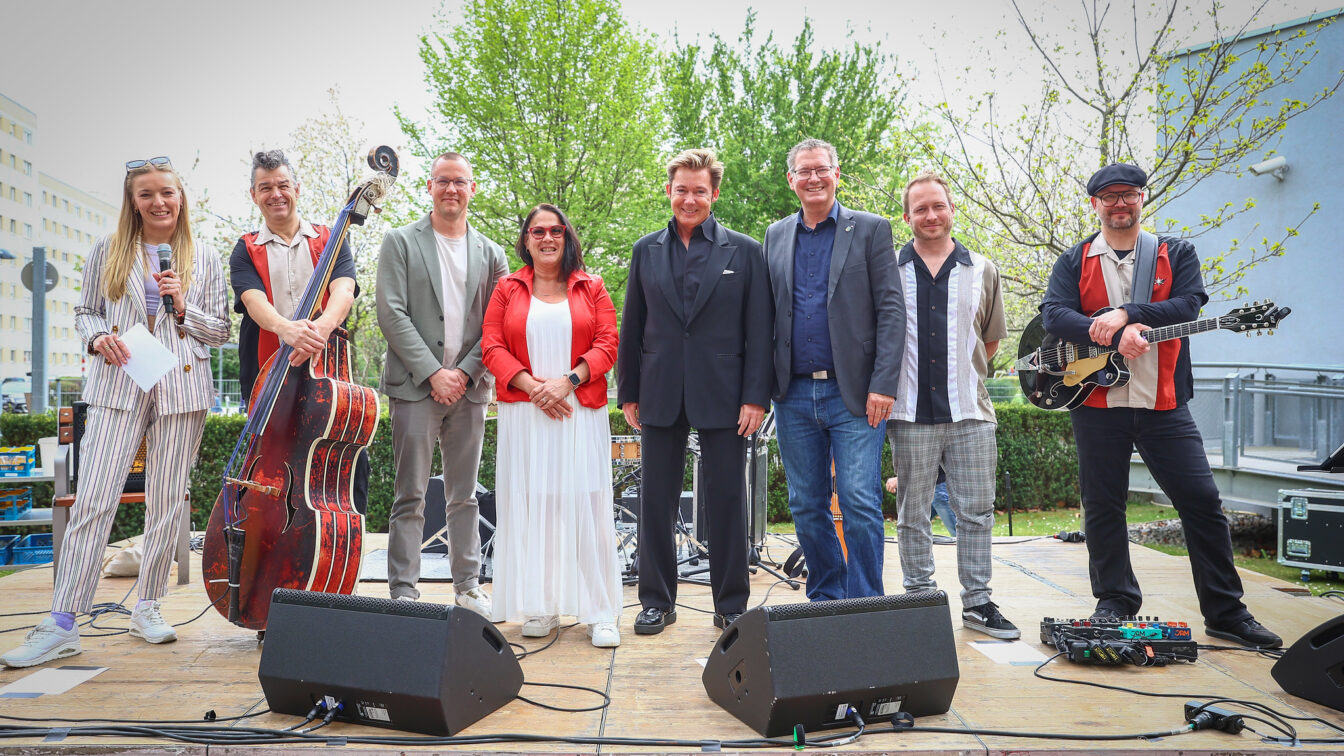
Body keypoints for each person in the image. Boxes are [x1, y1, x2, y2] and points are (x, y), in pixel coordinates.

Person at [1040, 163, 1281, 649]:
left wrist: (1129, 314)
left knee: (1202, 503)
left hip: (1163, 403)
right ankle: (1114, 599)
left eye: (1128, 195)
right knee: (1103, 506)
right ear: (1095, 205)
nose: (1119, 204)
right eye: (1109, 197)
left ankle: (1226, 612)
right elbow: (1053, 314)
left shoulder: (1176, 252)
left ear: (1142, 198)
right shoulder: (1074, 259)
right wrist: (1102, 330)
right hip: (1096, 402)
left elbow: (1189, 304)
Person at [2, 157, 229, 668]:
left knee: (167, 504)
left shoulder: (205, 256)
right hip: (117, 385)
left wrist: (183, 307)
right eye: (146, 194)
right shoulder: (108, 250)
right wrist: (97, 336)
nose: (159, 202)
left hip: (181, 389)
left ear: (181, 196)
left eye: (167, 192)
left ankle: (147, 607)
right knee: (94, 500)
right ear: (132, 201)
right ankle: (62, 621)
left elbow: (218, 333)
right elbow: (85, 311)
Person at [617, 148, 772, 633]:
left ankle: (731, 604)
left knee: (727, 500)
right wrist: (628, 392)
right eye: (681, 189)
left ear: (714, 194)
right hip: (660, 390)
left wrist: (755, 397)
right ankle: (657, 601)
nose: (689, 199)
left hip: (726, 394)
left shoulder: (745, 251)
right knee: (656, 501)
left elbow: (759, 329)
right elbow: (633, 325)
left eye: (699, 191)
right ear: (669, 190)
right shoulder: (646, 250)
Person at [762, 138, 903, 601]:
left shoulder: (871, 229)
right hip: (793, 394)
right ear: (791, 180)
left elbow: (891, 310)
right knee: (805, 504)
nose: (813, 178)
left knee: (861, 503)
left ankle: (865, 601)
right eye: (804, 171)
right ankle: (826, 594)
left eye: (821, 169)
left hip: (856, 394)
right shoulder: (776, 234)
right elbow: (769, 312)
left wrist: (884, 383)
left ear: (836, 174)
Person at [482, 203, 621, 647]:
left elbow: (608, 343)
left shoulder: (591, 286)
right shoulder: (506, 288)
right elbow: (491, 345)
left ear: (567, 237)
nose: (547, 238)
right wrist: (533, 387)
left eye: (556, 231)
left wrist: (567, 381)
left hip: (579, 410)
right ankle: (540, 605)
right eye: (537, 231)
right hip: (526, 415)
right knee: (533, 506)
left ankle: (601, 611)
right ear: (525, 240)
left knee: (589, 505)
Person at [375, 151, 508, 617]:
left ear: (473, 189)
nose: (451, 189)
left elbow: (498, 324)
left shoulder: (492, 253)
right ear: (428, 186)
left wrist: (465, 373)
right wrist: (434, 373)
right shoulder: (399, 242)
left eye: (460, 182)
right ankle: (404, 592)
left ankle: (468, 585)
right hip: (415, 387)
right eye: (443, 181)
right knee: (409, 493)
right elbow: (390, 313)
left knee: (464, 494)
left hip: (470, 390)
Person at [887, 171, 1017, 639]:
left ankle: (978, 603)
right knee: (913, 512)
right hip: (909, 414)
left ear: (951, 209)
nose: (930, 215)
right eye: (919, 208)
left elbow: (992, 340)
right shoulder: (888, 268)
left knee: (977, 512)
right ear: (907, 217)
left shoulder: (982, 268)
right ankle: (920, 597)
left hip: (971, 415)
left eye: (937, 205)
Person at [228, 150, 369, 513]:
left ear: (297, 188)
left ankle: (344, 537)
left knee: (344, 455)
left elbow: (344, 290)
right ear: (254, 195)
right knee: (272, 459)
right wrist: (285, 329)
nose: (275, 194)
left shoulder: (330, 238)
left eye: (283, 185)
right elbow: (252, 299)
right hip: (267, 372)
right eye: (265, 187)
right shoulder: (245, 249)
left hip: (328, 369)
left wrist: (318, 330)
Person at [884, 468, 957, 536]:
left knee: (962, 535)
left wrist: (901, 478)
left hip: (939, 489)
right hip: (933, 489)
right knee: (912, 530)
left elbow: (928, 462)